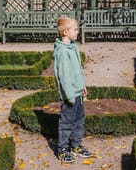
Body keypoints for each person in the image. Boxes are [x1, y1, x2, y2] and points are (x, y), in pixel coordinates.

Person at [53, 16, 92, 164]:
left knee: (78, 120)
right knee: (66, 123)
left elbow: (78, 70)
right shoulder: (62, 52)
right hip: (69, 95)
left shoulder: (73, 47)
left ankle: (75, 145)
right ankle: (63, 149)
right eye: (75, 29)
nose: (77, 31)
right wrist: (69, 95)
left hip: (78, 93)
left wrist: (82, 86)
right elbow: (64, 76)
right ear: (65, 32)